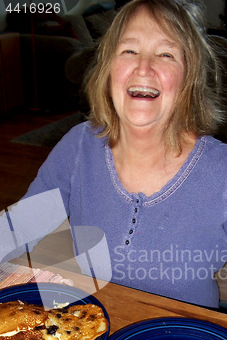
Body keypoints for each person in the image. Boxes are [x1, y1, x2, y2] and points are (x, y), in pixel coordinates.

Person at [1, 0, 227, 308]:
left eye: (166, 54)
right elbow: (20, 229)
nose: (143, 67)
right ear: (108, 70)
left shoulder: (221, 171)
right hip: (86, 335)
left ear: (189, 79)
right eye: (129, 50)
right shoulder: (79, 146)